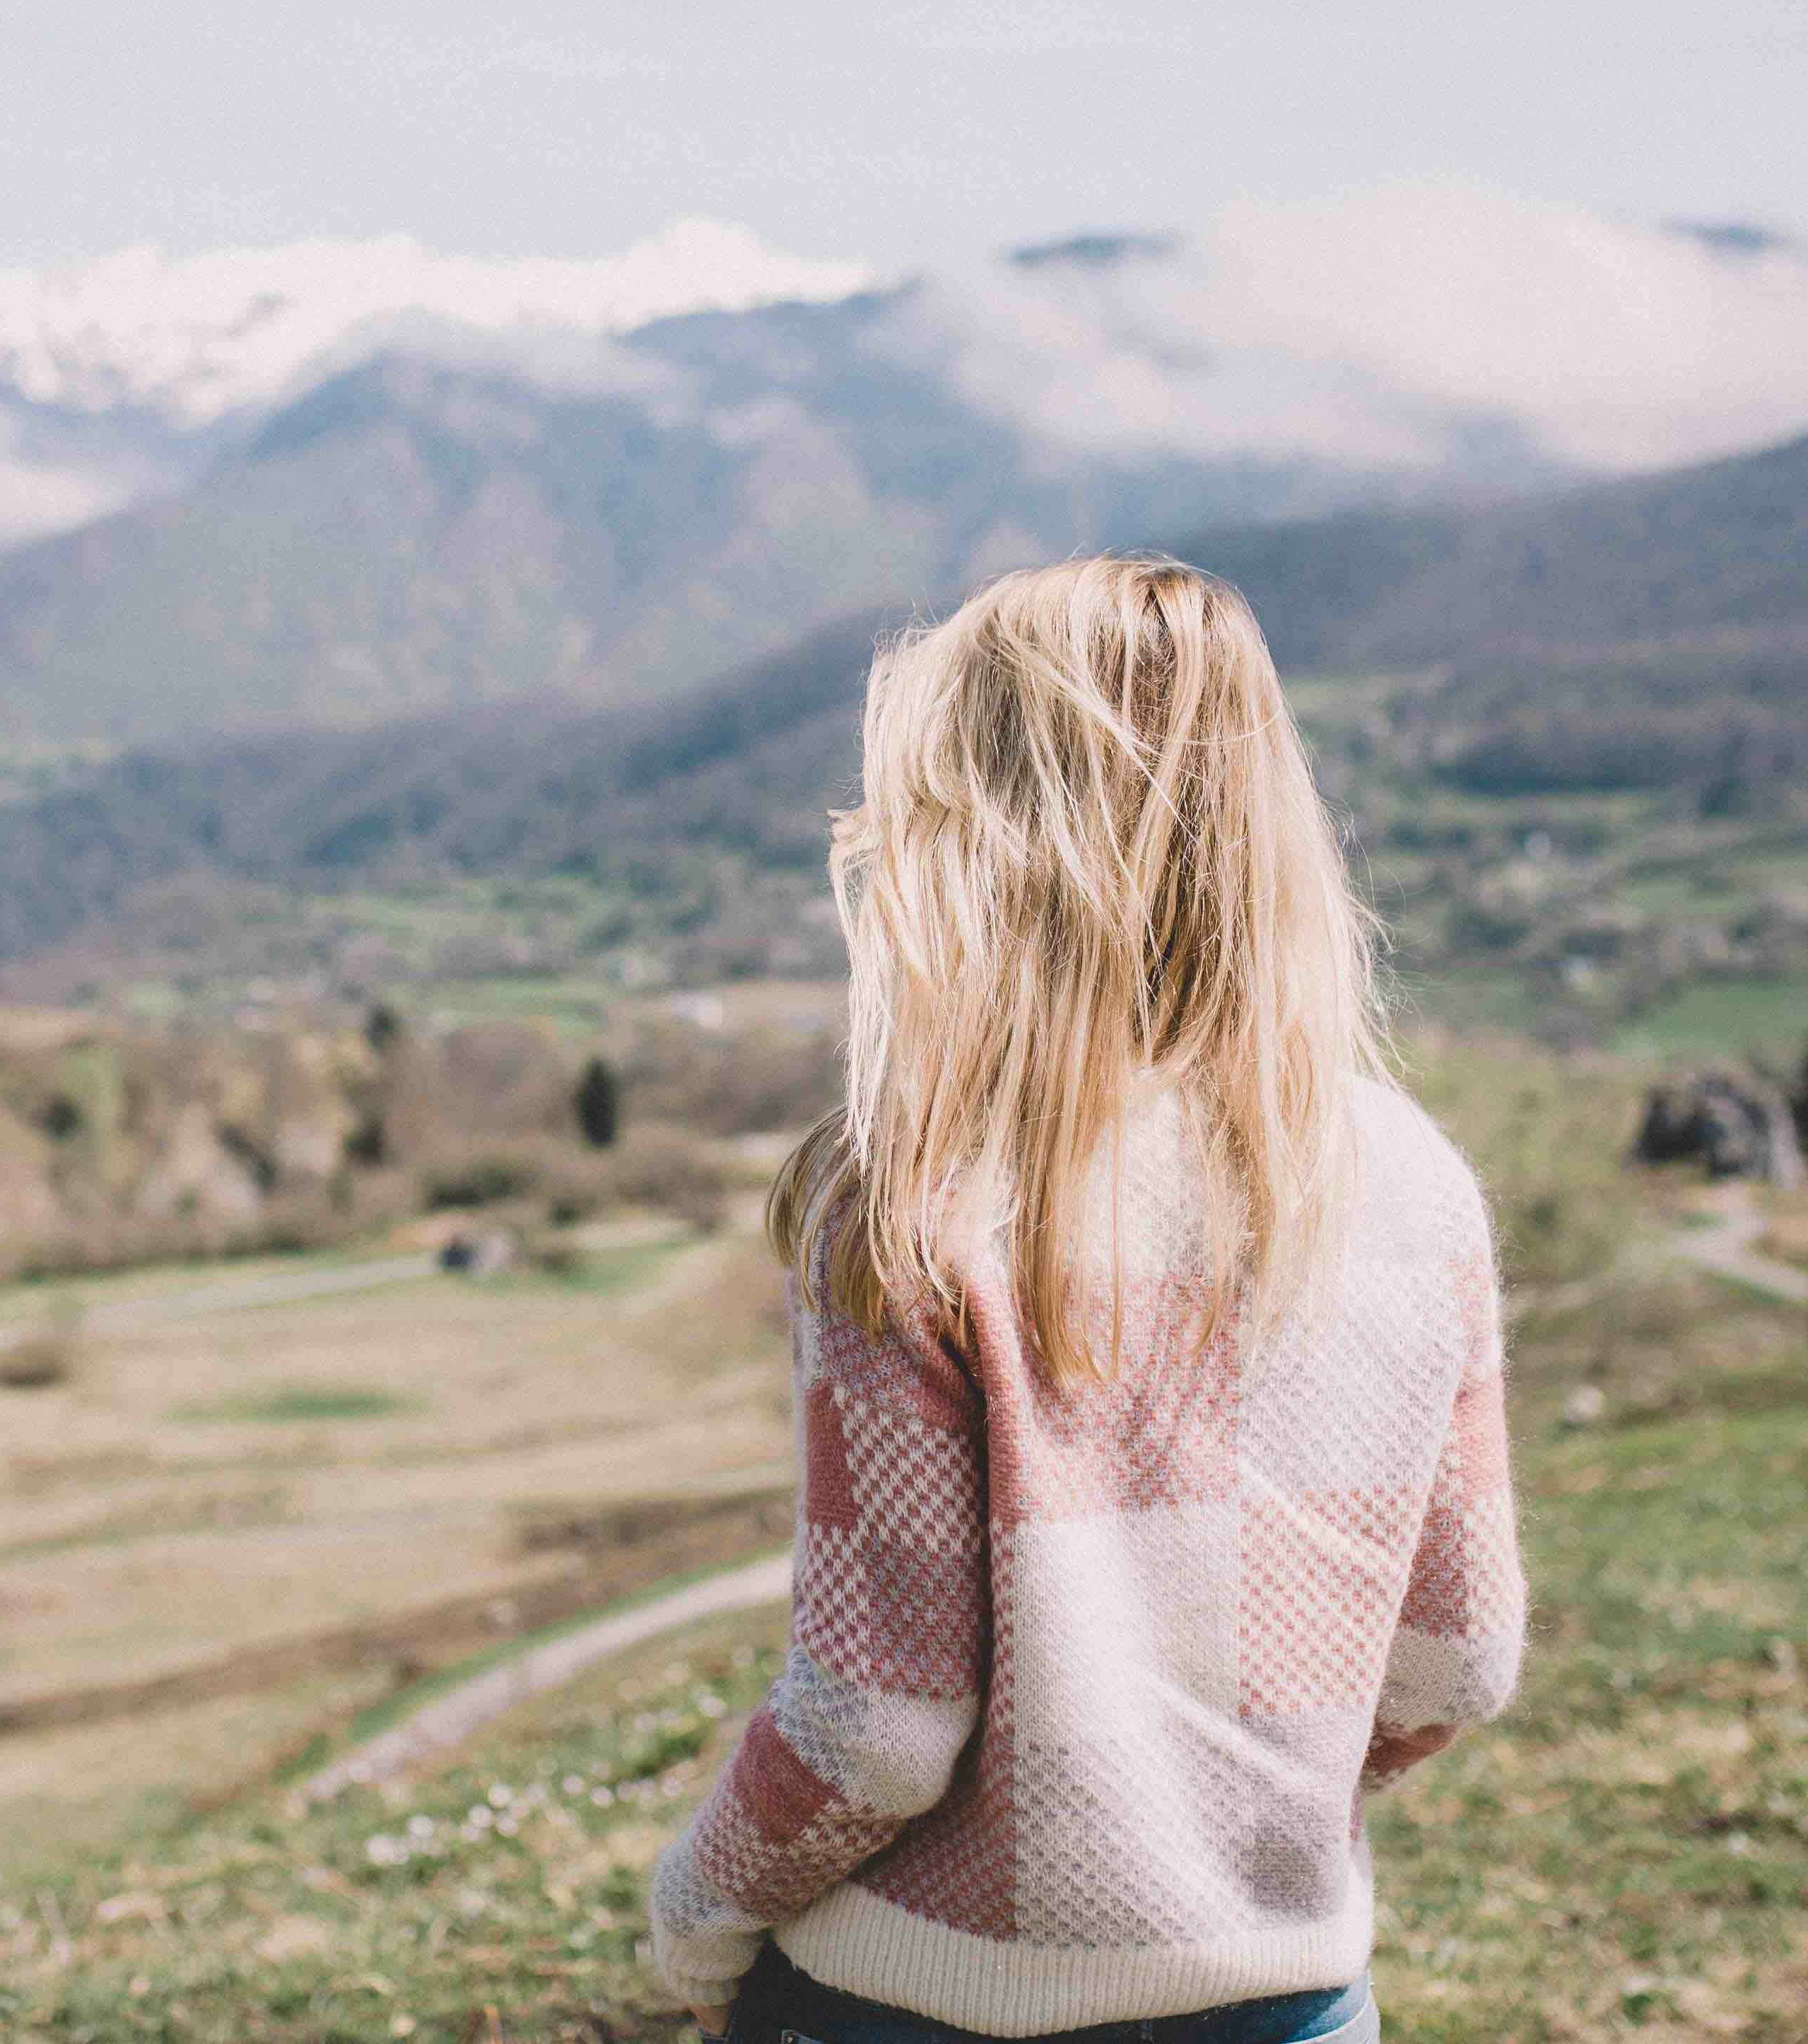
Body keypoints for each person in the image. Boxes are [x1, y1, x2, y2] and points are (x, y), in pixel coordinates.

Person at [647, 556, 1525, 2043]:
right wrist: (1218, 1818)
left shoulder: (918, 1200)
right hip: (1290, 1997)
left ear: (973, 837)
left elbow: (873, 1732)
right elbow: (1460, 1660)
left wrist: (694, 1907)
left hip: (919, 2004)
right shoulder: (1413, 1186)